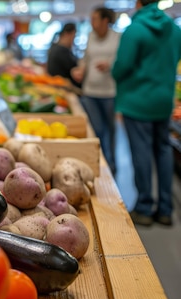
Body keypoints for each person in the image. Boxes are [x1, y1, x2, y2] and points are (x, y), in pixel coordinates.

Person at [111, 0, 181, 226]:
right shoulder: (174, 29)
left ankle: (143, 207)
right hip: (163, 100)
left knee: (141, 152)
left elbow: (121, 67)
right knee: (163, 151)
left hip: (137, 102)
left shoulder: (135, 29)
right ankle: (165, 209)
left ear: (139, 3)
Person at [72, 7, 120, 175]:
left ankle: (112, 164)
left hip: (109, 92)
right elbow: (85, 59)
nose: (92, 23)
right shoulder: (90, 37)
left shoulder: (117, 37)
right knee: (96, 130)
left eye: (95, 19)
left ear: (105, 21)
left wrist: (110, 65)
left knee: (110, 131)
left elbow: (121, 61)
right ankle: (99, 163)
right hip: (90, 91)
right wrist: (80, 70)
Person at [46, 23, 81, 88]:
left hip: (55, 86)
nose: (73, 41)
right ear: (67, 34)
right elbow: (75, 68)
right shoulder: (62, 51)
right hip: (62, 88)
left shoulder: (54, 47)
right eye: (73, 36)